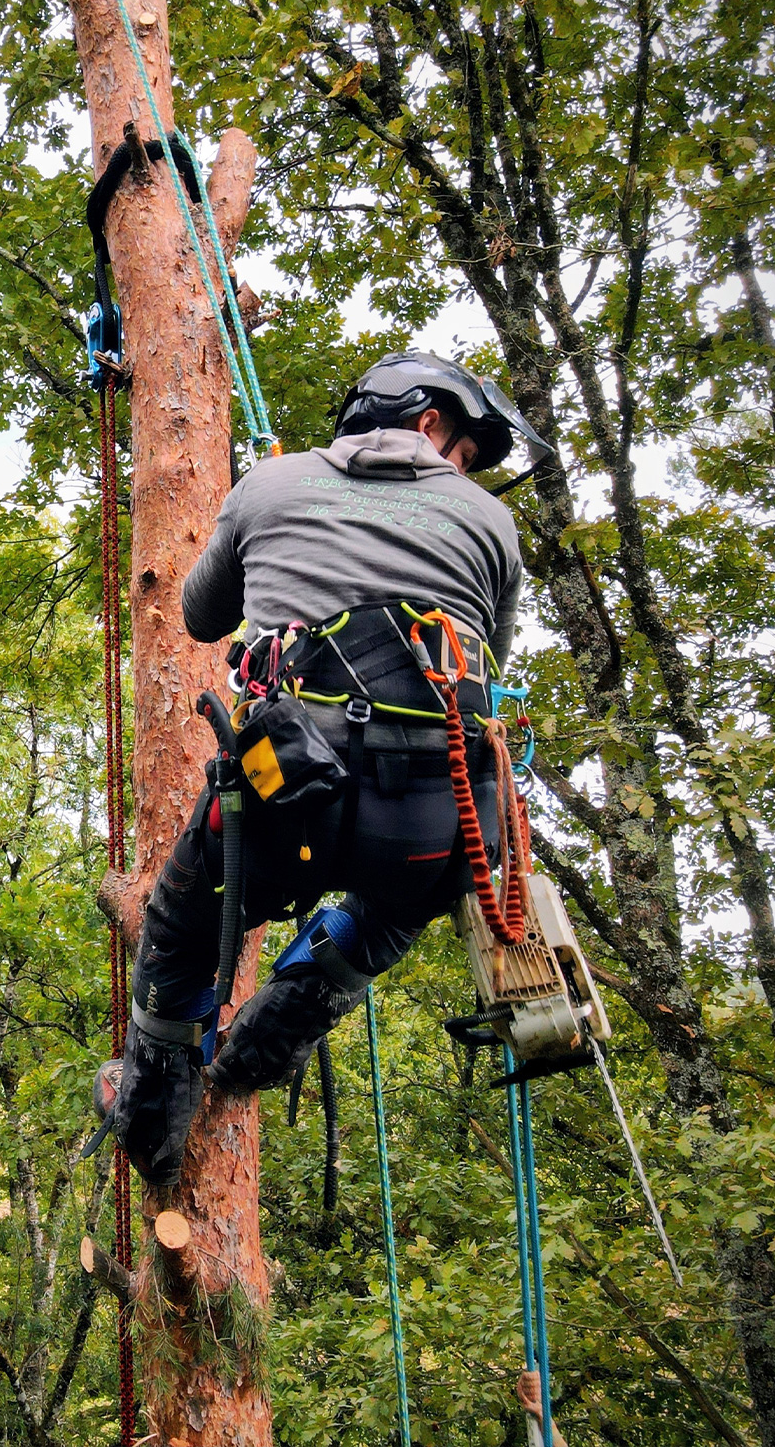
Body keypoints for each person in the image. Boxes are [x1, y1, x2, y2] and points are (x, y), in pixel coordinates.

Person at [107, 350, 548, 1187]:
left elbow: (202, 617)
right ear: (428, 424)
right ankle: (258, 1052)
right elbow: (484, 656)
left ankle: (152, 1121)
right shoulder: (489, 522)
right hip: (434, 814)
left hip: (285, 794)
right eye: (463, 450)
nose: (463, 471)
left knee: (179, 929)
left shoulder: (273, 485)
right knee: (390, 916)